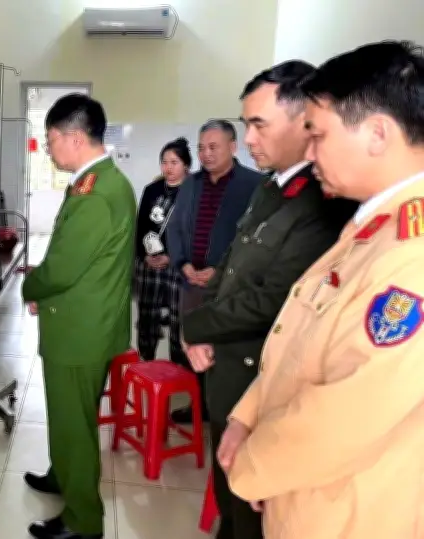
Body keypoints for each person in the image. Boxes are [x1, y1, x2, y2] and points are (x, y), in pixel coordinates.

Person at [218, 40, 424, 539]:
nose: (309, 154)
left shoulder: (411, 254)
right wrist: (246, 416)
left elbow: (350, 412)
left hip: (344, 512)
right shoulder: (370, 226)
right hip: (303, 494)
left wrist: (251, 464)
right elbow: (298, 341)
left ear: (377, 134)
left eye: (318, 135)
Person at [180, 61, 358, 539]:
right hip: (225, 368)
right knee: (229, 500)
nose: (249, 139)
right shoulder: (271, 188)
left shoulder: (324, 203)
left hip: (260, 377)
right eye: (246, 125)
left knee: (252, 514)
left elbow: (274, 300)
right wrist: (199, 324)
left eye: (259, 125)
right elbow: (230, 263)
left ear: (304, 121)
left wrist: (195, 327)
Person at [21, 93, 135, 539]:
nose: (49, 150)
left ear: (73, 137)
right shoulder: (100, 182)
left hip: (79, 331)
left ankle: (83, 521)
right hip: (88, 321)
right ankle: (62, 474)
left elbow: (64, 268)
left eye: (50, 140)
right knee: (71, 416)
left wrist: (30, 286)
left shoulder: (96, 193)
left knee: (76, 424)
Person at [166, 120, 263, 422]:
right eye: (201, 148)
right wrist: (182, 263)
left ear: (233, 147)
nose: (206, 154)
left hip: (229, 288)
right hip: (191, 283)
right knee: (193, 344)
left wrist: (219, 270)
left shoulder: (255, 185)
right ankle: (199, 406)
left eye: (213, 147)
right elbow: (175, 228)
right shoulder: (191, 184)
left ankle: (229, 410)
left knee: (224, 350)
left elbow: (253, 238)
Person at [134, 137, 191, 362]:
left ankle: (179, 364)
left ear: (186, 165)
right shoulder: (152, 190)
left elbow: (195, 233)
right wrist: (144, 256)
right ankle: (146, 360)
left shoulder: (194, 191)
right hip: (150, 264)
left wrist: (172, 257)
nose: (168, 168)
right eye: (164, 162)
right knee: (147, 316)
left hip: (179, 266)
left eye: (174, 162)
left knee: (179, 318)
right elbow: (141, 226)